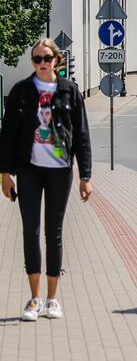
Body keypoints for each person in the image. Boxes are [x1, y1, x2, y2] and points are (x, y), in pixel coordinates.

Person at [0, 38, 93, 322]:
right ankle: (34, 299)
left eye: (46, 58)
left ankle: (53, 299)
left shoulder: (70, 91)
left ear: (57, 60)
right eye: (37, 59)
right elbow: (8, 135)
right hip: (29, 168)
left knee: (54, 231)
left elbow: (82, 136)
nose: (42, 64)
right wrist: (5, 174)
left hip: (60, 170)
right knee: (30, 229)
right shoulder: (21, 91)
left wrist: (85, 177)